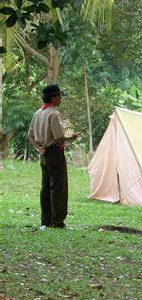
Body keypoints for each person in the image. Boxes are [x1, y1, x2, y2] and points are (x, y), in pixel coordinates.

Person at [28, 84, 78, 229]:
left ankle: (45, 220)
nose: (60, 99)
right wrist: (71, 136)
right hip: (55, 154)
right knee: (58, 188)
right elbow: (59, 138)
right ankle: (57, 221)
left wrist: (40, 148)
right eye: (59, 96)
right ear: (54, 97)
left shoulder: (38, 113)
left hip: (44, 155)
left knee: (45, 188)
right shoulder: (53, 114)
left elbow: (30, 136)